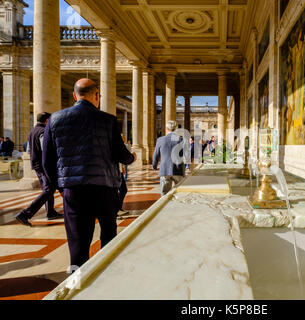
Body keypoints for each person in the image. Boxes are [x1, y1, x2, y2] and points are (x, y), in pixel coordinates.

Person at [42, 78, 136, 269]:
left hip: (73, 189)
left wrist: (61, 186)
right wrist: (131, 157)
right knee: (109, 234)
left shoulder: (55, 119)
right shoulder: (108, 120)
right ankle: (107, 273)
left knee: (77, 239)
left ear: (75, 95)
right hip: (105, 187)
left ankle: (77, 278)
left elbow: (47, 160)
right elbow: (120, 154)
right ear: (96, 96)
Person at [15, 112, 63, 227]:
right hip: (44, 165)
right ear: (47, 120)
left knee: (48, 188)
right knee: (48, 190)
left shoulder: (32, 131)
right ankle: (25, 214)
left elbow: (28, 150)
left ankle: (50, 212)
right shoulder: (43, 131)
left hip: (37, 164)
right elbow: (45, 149)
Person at [152, 120, 185, 196]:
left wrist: (154, 166)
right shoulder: (181, 139)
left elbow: (156, 155)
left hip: (165, 169)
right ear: (176, 129)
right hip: (178, 169)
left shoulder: (160, 140)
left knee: (165, 194)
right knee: (180, 193)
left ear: (166, 128)